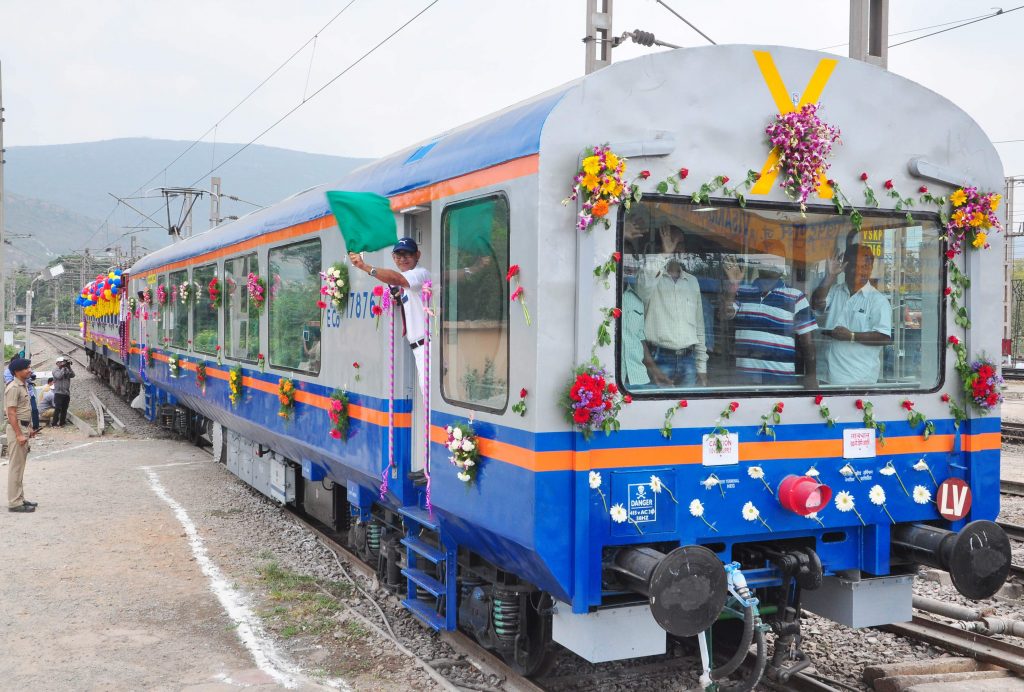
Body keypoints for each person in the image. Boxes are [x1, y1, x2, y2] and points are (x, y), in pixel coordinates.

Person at [722, 241, 818, 387]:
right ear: (758, 261)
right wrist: (733, 285)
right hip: (745, 379)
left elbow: (808, 342)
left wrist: (811, 376)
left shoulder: (795, 296)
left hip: (780, 379)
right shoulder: (742, 291)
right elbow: (724, 315)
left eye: (777, 258)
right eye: (767, 257)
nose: (772, 262)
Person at [349, 237, 431, 397]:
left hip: (427, 346)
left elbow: (397, 279)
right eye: (398, 256)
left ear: (417, 255)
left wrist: (365, 267)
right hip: (419, 347)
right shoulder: (410, 280)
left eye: (407, 255)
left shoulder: (419, 274)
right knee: (426, 395)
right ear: (393, 258)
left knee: (429, 398)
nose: (402, 259)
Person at [635, 224, 708, 386]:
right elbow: (641, 289)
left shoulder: (692, 282)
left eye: (679, 243)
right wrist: (665, 254)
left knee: (688, 409)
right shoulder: (652, 276)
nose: (675, 247)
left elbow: (699, 327)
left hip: (688, 359)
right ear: (661, 245)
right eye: (670, 242)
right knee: (655, 410)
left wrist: (701, 368)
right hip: (658, 358)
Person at [812, 244, 893, 385]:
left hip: (857, 380)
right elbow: (816, 304)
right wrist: (830, 276)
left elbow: (884, 337)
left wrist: (852, 336)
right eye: (858, 266)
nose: (862, 272)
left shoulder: (878, 300)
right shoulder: (835, 291)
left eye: (866, 267)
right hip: (826, 376)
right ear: (846, 267)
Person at [622, 259, 671, 388]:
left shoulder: (636, 299)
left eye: (632, 261)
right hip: (610, 376)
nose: (629, 265)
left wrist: (654, 370)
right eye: (625, 260)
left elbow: (639, 338)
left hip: (637, 376)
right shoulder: (602, 299)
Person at [5, 357, 38, 512]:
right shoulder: (13, 388)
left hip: (23, 428)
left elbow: (23, 411)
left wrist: (29, 428)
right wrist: (19, 434)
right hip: (16, 430)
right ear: (17, 371)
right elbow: (11, 413)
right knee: (16, 467)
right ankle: (14, 503)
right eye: (27, 368)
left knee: (20, 466)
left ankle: (20, 498)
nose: (29, 370)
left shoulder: (22, 385)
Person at [52, 356, 74, 427]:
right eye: (61, 362)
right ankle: (54, 423)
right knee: (57, 409)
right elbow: (59, 376)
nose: (63, 363)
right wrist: (63, 368)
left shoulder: (66, 369)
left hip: (66, 393)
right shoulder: (55, 370)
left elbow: (73, 375)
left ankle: (62, 423)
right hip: (58, 393)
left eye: (63, 362)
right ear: (57, 363)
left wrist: (69, 367)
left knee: (64, 409)